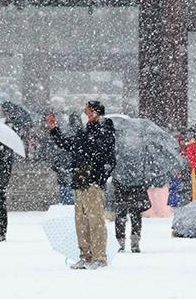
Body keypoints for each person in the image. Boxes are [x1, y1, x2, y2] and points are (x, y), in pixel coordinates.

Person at [46, 100, 116, 269]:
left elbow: (101, 153)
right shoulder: (83, 132)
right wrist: (54, 130)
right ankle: (85, 255)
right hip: (79, 181)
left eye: (87, 112)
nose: (84, 115)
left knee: (95, 221)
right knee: (81, 222)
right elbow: (68, 145)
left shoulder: (105, 130)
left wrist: (99, 174)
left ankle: (99, 257)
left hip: (93, 182)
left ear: (95, 113)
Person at [112, 179, 150, 253]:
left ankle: (120, 243)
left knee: (121, 216)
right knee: (135, 215)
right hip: (136, 186)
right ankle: (134, 243)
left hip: (122, 186)